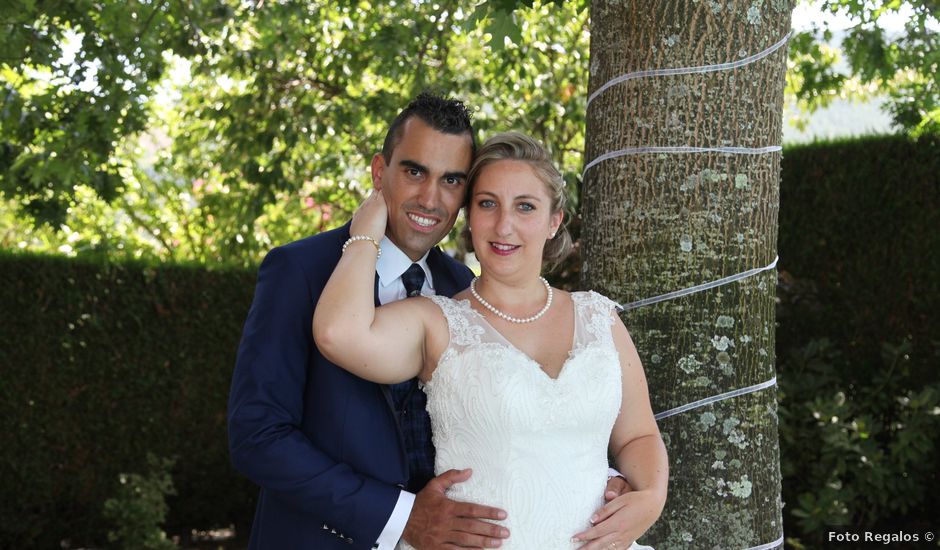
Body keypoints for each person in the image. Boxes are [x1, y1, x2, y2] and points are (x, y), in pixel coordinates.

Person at [228, 94, 630, 550]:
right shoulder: (299, 271)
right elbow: (258, 436)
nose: (430, 197)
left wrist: (596, 477)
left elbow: (518, 411)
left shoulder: (464, 290)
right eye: (414, 171)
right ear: (380, 172)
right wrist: (399, 517)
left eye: (452, 180)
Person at [314, 132, 669, 549]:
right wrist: (368, 227)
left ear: (554, 221)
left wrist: (650, 498)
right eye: (487, 204)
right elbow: (338, 333)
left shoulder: (598, 317)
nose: (504, 225)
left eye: (525, 206)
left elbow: (638, 436)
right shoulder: (438, 322)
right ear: (469, 217)